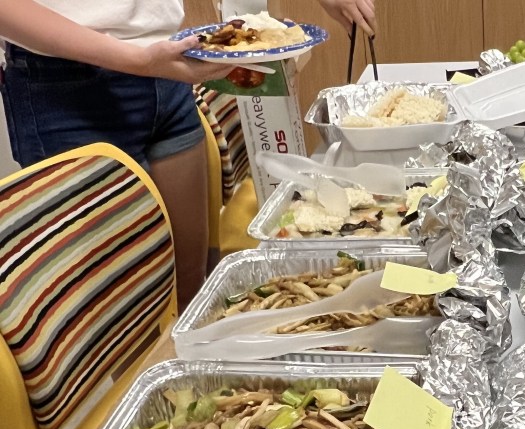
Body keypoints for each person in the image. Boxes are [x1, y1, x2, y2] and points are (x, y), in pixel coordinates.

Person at [0, 0, 375, 308]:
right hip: (66, 87)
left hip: (167, 70)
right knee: (121, 310)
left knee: (191, 289)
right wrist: (137, 60)